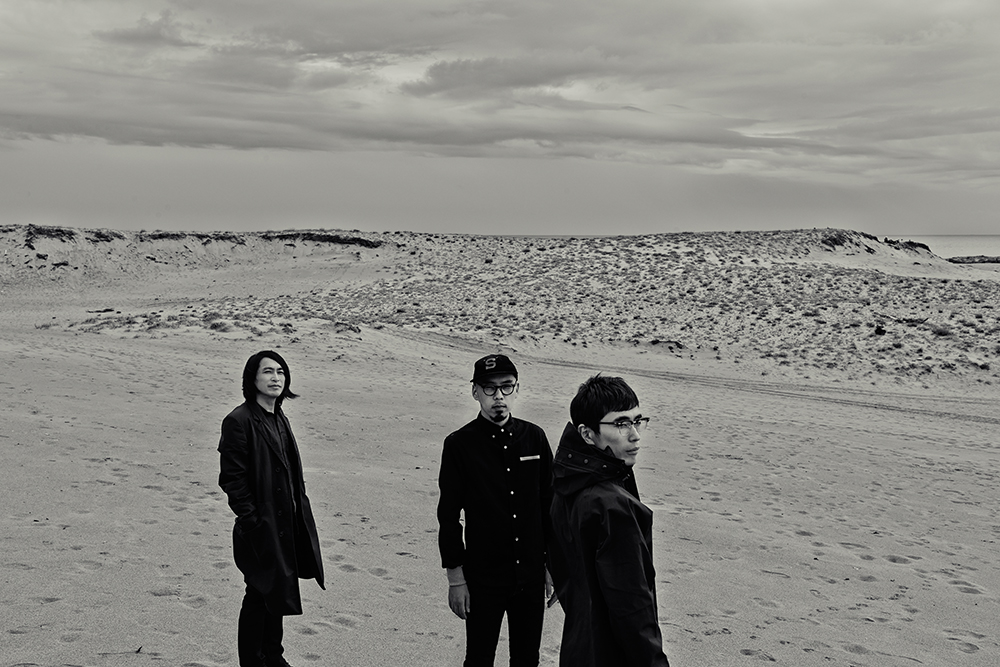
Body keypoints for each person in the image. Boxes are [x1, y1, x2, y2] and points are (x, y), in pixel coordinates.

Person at [437, 354, 555, 666]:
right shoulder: (459, 445)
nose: (498, 396)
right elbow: (448, 516)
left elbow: (550, 505)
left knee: (527, 659)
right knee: (478, 659)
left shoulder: (535, 438)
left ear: (517, 389)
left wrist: (553, 564)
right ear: (475, 392)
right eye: (489, 388)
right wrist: (455, 579)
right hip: (482, 578)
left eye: (506, 387)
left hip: (530, 574)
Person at [548, 375, 670, 667]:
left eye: (637, 421)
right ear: (587, 434)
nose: (635, 435)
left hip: (578, 647)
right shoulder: (612, 506)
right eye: (621, 424)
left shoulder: (565, 482)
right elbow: (632, 607)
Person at [218, 351, 325, 667]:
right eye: (267, 372)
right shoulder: (238, 421)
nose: (275, 378)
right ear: (252, 378)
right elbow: (232, 479)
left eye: (280, 371)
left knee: (276, 589)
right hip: (260, 525)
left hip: (285, 523)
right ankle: (253, 660)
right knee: (258, 593)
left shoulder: (280, 418)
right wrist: (252, 520)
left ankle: (274, 656)